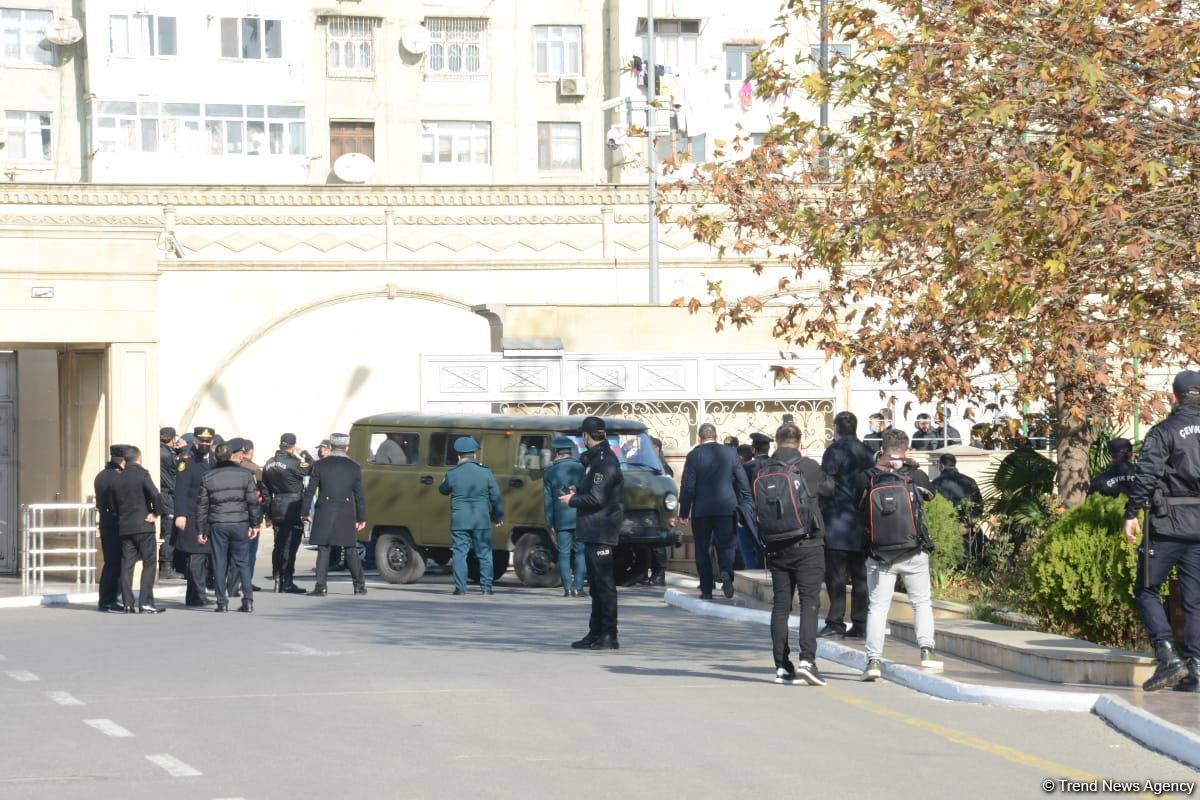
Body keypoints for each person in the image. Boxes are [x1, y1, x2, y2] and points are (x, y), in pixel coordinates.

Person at [1124, 371, 1200, 693]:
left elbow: (1147, 475)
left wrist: (1131, 514)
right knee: (1196, 601)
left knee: (1146, 589)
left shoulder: (1164, 430)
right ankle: (1196, 668)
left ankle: (1168, 656)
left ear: (1175, 397)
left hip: (1167, 526)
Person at [860, 430, 943, 680]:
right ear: (906, 449)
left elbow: (858, 504)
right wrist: (909, 467)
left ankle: (873, 660)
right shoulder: (914, 474)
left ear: (883, 448)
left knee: (878, 607)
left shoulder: (869, 476)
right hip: (912, 551)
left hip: (879, 555)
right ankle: (927, 651)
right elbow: (930, 495)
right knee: (921, 602)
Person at [759, 423, 832, 686]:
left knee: (781, 606)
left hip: (777, 546)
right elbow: (829, 489)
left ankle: (781, 665)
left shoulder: (764, 469)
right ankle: (807, 661)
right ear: (800, 442)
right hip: (809, 544)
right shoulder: (808, 466)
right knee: (809, 603)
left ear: (776, 442)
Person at [561, 416, 625, 650]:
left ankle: (609, 634)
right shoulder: (596, 460)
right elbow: (597, 489)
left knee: (605, 585)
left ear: (586, 436)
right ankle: (595, 632)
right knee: (596, 586)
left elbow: (598, 498)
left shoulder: (604, 461)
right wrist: (578, 489)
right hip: (593, 529)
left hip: (602, 530)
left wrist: (572, 499)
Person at [679, 422, 752, 600]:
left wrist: (683, 512)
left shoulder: (694, 455)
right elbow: (742, 479)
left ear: (700, 438)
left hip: (701, 510)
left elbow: (689, 486)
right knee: (726, 545)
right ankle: (726, 571)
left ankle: (706, 589)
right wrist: (748, 501)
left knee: (702, 549)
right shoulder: (730, 453)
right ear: (717, 436)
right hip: (726, 508)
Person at [819, 411, 874, 638]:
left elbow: (828, 486)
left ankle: (835, 621)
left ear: (837, 428)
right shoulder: (867, 452)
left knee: (837, 576)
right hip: (862, 522)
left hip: (838, 522)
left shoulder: (834, 451)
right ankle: (860, 623)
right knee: (860, 576)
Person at [197, 442, 262, 613]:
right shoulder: (244, 474)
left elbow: (202, 506)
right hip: (240, 522)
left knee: (219, 563)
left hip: (218, 523)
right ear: (232, 456)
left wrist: (201, 529)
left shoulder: (208, 476)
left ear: (216, 457)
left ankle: (221, 602)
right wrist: (255, 524)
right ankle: (248, 600)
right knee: (242, 562)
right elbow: (253, 502)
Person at [302, 433, 367, 597]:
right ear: (347, 447)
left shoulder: (320, 465)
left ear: (330, 446)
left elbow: (310, 491)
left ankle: (321, 587)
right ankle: (359, 586)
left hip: (325, 509)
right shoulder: (354, 467)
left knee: (324, 549)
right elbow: (359, 495)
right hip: (345, 510)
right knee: (351, 549)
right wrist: (361, 517)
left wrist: (304, 512)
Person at [440, 436, 504, 595]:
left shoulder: (452, 473)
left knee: (460, 553)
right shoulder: (485, 472)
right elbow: (495, 496)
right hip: (481, 520)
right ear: (474, 455)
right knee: (484, 553)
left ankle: (460, 588)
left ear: (458, 456)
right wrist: (497, 516)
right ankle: (486, 588)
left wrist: (445, 480)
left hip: (459, 520)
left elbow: (442, 490)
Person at [112, 446, 165, 614]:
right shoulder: (142, 474)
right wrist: (155, 513)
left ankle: (127, 603)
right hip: (143, 526)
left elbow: (113, 506)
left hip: (126, 527)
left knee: (127, 565)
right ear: (138, 458)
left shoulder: (117, 479)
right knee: (149, 563)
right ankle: (146, 602)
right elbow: (156, 495)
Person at [173, 427, 218, 607]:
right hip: (191, 515)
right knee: (196, 556)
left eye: (208, 441)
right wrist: (180, 514)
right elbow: (181, 491)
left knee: (203, 556)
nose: (205, 444)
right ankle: (198, 595)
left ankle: (194, 595)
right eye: (202, 441)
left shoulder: (213, 460)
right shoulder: (187, 460)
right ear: (195, 441)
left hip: (207, 515)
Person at [262, 433, 312, 594]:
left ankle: (277, 578)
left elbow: (266, 491)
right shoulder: (295, 462)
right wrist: (303, 453)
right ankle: (287, 581)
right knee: (291, 546)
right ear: (293, 445)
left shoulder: (268, 464)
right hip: (293, 506)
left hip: (276, 505)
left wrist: (268, 513)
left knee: (279, 545)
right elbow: (313, 467)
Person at [544, 437, 586, 597]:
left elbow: (548, 500)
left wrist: (550, 522)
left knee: (563, 553)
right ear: (570, 451)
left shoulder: (550, 472)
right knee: (581, 552)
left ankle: (567, 589)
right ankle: (579, 587)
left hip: (561, 519)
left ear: (556, 452)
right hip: (580, 516)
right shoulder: (581, 468)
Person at [93, 445, 130, 612]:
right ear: (122, 461)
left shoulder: (101, 475)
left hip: (105, 523)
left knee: (110, 563)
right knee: (115, 563)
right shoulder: (117, 477)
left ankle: (107, 599)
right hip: (116, 524)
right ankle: (109, 599)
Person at [932, 454, 985, 561]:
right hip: (968, 526)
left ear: (941, 466)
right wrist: (971, 521)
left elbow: (933, 507)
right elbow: (979, 504)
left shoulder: (936, 483)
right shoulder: (969, 481)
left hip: (947, 527)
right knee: (973, 557)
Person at [639, 436, 673, 586]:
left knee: (657, 544)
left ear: (658, 450)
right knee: (648, 545)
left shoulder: (663, 469)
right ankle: (649, 573)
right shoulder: (646, 467)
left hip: (658, 511)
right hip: (647, 510)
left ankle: (659, 574)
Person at [157, 427, 182, 579]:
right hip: (168, 496)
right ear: (172, 438)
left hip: (162, 495)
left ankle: (165, 565)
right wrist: (183, 450)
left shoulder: (158, 451)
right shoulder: (169, 454)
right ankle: (166, 567)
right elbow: (177, 468)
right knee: (169, 532)